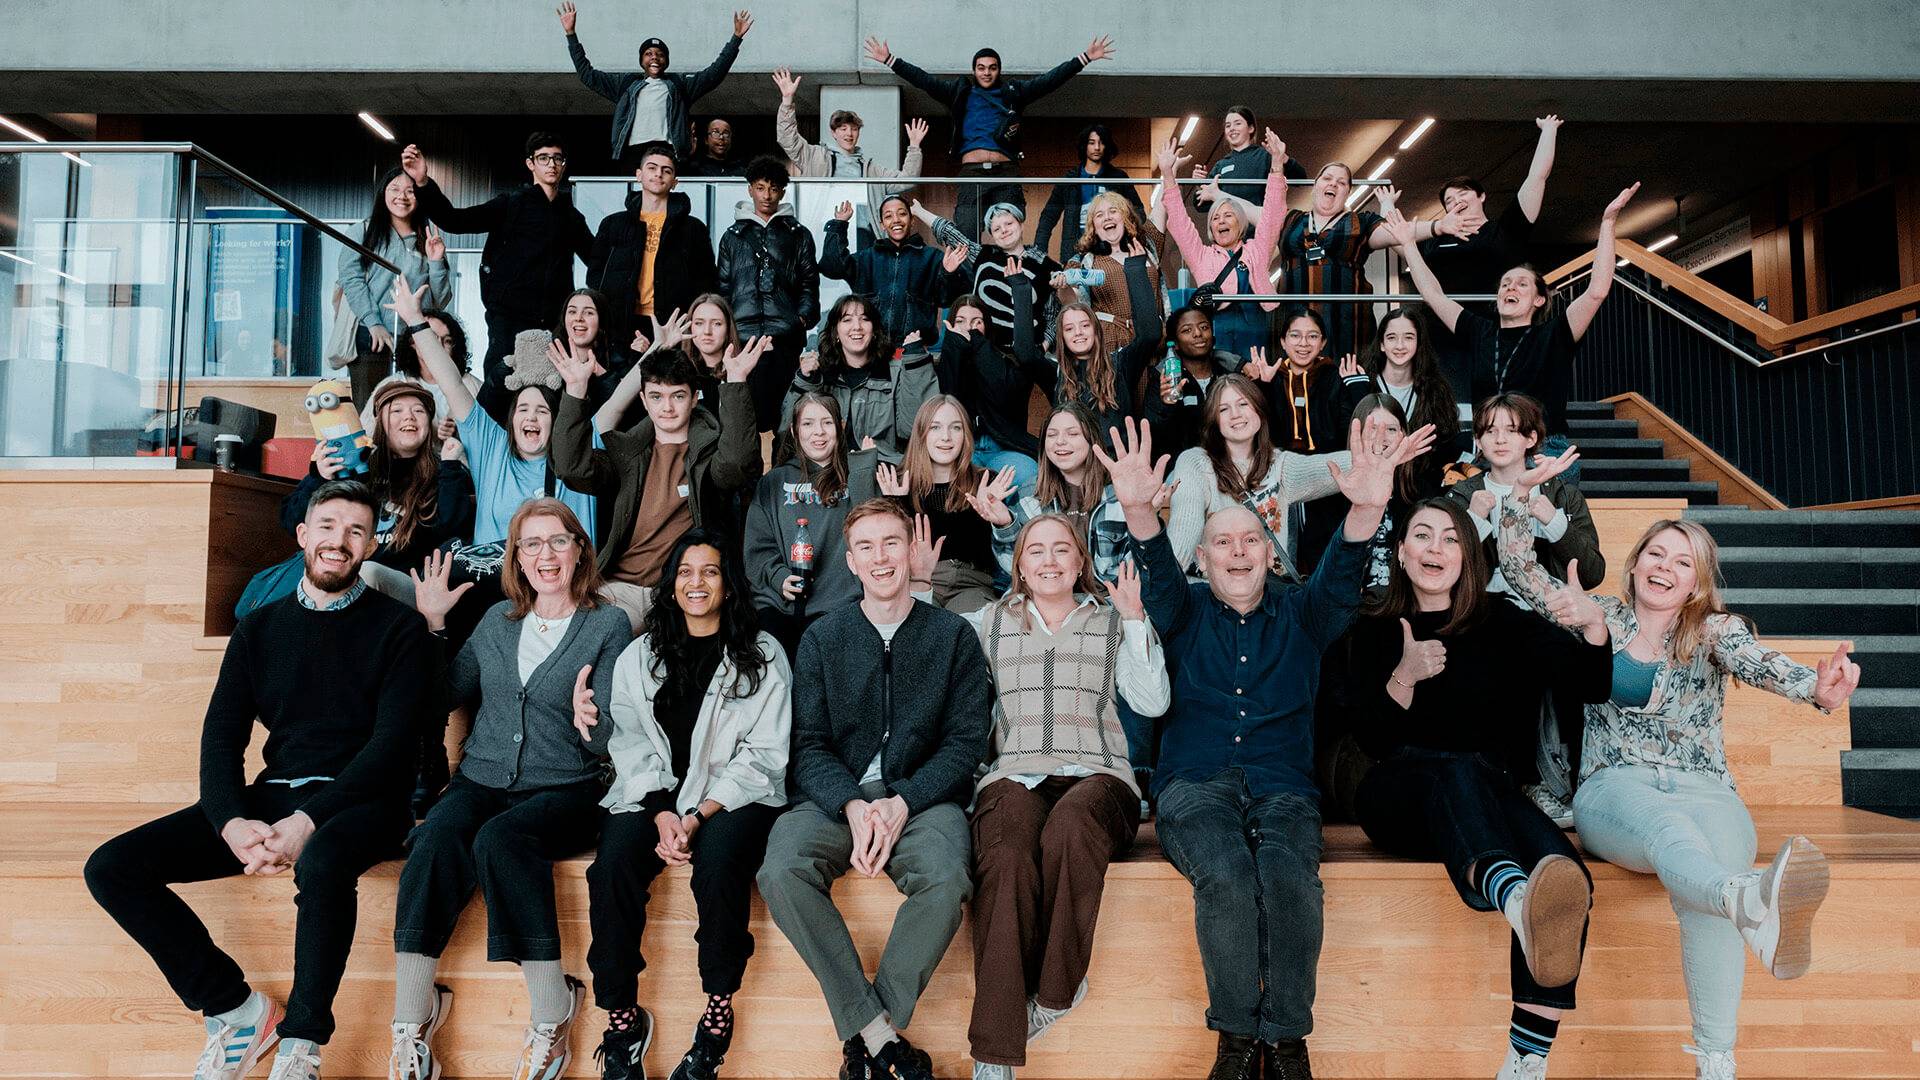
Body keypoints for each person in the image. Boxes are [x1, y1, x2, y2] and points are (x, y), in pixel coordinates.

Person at [1093, 412, 1432, 1080]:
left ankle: (1283, 1042)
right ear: (1203, 557)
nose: (1240, 550)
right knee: (1224, 874)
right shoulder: (1182, 610)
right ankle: (1237, 1043)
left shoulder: (1304, 614)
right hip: (1195, 786)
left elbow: (1339, 576)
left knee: (1288, 882)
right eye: (1223, 542)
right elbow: (1157, 572)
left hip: (1283, 789)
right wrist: (1137, 508)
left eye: (1253, 539)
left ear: (1273, 554)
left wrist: (1365, 509)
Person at [1494, 474, 1862, 1080]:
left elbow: (1762, 665)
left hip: (1709, 792)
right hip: (1616, 791)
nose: (1665, 567)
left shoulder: (1715, 631)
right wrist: (1514, 496)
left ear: (1698, 582)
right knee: (1673, 831)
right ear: (1635, 564)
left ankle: (1717, 1060)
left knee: (1708, 877)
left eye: (1682, 561)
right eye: (1655, 554)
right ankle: (1746, 897)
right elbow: (1515, 567)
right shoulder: (1598, 615)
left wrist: (1815, 689)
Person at [85, 480, 431, 1080]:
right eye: (327, 526)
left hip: (368, 799)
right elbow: (220, 738)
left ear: (371, 545)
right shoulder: (259, 628)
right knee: (112, 867)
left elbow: (390, 750)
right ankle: (236, 1008)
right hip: (276, 792)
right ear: (303, 536)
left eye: (355, 530)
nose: (339, 541)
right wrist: (231, 820)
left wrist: (307, 821)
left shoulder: (399, 630)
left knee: (322, 863)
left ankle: (301, 1044)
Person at [1343, 498, 1612, 1080]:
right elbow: (1371, 736)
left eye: (1450, 538)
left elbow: (1589, 684)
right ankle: (1515, 899)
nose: (1435, 549)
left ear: (1468, 555)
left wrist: (1593, 626)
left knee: (1565, 880)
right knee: (1457, 777)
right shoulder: (1370, 627)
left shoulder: (1504, 621)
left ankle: (1525, 1061)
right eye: (1422, 536)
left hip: (1489, 791)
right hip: (1397, 792)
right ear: (1402, 552)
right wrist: (1406, 673)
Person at [385, 502, 628, 1080]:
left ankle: (552, 1010)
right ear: (516, 558)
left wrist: (587, 720)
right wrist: (432, 626)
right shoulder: (498, 622)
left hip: (568, 787)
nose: (546, 556)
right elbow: (440, 697)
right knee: (435, 837)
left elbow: (614, 739)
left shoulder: (606, 624)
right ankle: (411, 1021)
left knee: (501, 840)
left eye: (557, 542)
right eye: (532, 545)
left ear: (579, 550)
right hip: (483, 778)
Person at [755, 498, 994, 1080]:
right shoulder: (821, 637)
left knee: (946, 880)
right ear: (852, 560)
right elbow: (807, 745)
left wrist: (901, 800)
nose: (881, 557)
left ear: (912, 551)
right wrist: (855, 804)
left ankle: (867, 1034)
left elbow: (965, 746)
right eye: (866, 547)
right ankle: (882, 1037)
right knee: (780, 870)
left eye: (892, 543)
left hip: (923, 799)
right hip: (837, 799)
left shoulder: (953, 635)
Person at [946, 521, 1169, 1080]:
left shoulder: (1111, 619)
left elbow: (1153, 700)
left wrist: (1137, 619)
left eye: (1062, 549)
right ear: (1018, 565)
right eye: (1035, 551)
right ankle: (994, 1057)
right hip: (1014, 775)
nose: (1049, 560)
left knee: (1069, 826)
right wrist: (925, 584)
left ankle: (1053, 993)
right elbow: (930, 644)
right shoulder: (988, 623)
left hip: (1100, 778)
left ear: (1079, 560)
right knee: (1006, 852)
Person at [576, 532, 792, 1080]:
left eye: (711, 571)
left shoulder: (762, 653)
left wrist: (698, 815)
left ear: (728, 583)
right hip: (654, 794)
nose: (697, 582)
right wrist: (660, 810)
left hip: (734, 796)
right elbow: (628, 740)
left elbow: (765, 754)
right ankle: (622, 1020)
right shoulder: (640, 654)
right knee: (611, 870)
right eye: (686, 572)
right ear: (670, 585)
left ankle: (717, 1014)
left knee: (720, 865)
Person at [1448, 393, 1605, 829]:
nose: (1499, 439)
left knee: (1578, 658)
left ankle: (1572, 783)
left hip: (1553, 612)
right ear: (1478, 440)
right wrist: (1475, 523)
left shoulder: (1562, 493)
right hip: (1481, 614)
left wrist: (1554, 521)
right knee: (1523, 651)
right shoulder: (1463, 495)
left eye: (1511, 430)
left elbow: (1592, 573)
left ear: (1531, 439)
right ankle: (1530, 783)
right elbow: (1440, 569)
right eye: (1489, 430)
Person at [1385, 183, 1641, 450]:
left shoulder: (1555, 333)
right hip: (1491, 447)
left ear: (1539, 299)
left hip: (1544, 447)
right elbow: (1433, 294)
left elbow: (1597, 291)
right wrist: (1408, 244)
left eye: (1521, 284)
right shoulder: (1479, 330)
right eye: (1505, 284)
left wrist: (1608, 222)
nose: (1510, 288)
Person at [548, 337, 764, 631]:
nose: (667, 407)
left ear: (694, 397)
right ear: (644, 400)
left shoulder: (710, 453)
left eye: (677, 396)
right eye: (657, 396)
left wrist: (736, 381)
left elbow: (737, 465)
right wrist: (574, 391)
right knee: (586, 642)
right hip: (618, 588)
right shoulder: (627, 453)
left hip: (681, 590)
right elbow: (571, 468)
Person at [402, 135, 594, 419]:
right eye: (543, 158)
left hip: (553, 322)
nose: (551, 164)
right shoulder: (511, 204)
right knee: (500, 390)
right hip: (508, 318)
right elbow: (456, 221)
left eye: (557, 158)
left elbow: (597, 259)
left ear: (563, 165)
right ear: (531, 164)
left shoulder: (571, 217)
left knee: (549, 395)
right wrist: (423, 183)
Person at [864, 33, 1117, 240]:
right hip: (972, 172)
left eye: (992, 68)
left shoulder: (1013, 92)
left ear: (999, 70)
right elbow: (924, 80)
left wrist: (1083, 59)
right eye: (981, 68)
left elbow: (1048, 81)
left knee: (1009, 231)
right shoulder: (960, 93)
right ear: (974, 70)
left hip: (1006, 171)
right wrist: (890, 60)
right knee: (965, 233)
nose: (986, 73)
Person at [281, 378, 476, 592]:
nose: (409, 417)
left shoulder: (445, 470)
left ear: (429, 423)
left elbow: (454, 530)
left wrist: (450, 467)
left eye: (419, 411)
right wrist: (318, 478)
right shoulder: (356, 466)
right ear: (380, 421)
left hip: (411, 588)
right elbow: (294, 522)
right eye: (397, 411)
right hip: (346, 579)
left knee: (369, 572)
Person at [1422, 117, 1563, 398]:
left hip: (1495, 335)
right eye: (1448, 201)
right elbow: (1408, 251)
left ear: (1481, 197)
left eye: (1463, 194)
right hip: (1443, 337)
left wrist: (1548, 131)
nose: (1456, 201)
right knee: (1453, 411)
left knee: (1501, 407)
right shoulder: (1436, 242)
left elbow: (1536, 178)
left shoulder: (1504, 231)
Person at [745, 392, 889, 655]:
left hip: (840, 606)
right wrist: (778, 577)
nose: (818, 432)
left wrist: (863, 471)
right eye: (808, 424)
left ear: (841, 427)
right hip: (781, 605)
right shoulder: (775, 481)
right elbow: (758, 546)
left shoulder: (856, 476)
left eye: (827, 422)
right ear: (794, 430)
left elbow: (871, 528)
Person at [1164, 374, 1348, 580]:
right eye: (1223, 409)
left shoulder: (1280, 465)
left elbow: (1340, 467)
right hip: (1214, 596)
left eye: (1243, 404)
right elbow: (1181, 541)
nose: (1235, 414)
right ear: (1214, 421)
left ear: (1259, 411)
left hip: (1268, 598)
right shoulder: (1196, 463)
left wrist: (1380, 453)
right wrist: (1164, 589)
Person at [559, 1, 753, 168]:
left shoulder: (678, 85)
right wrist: (571, 34)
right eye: (649, 54)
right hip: (632, 153)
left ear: (666, 61)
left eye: (660, 54)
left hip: (669, 150)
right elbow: (587, 75)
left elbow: (714, 74)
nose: (654, 58)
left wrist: (735, 39)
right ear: (641, 60)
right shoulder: (626, 84)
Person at [1157, 131, 1288, 358]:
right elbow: (1179, 221)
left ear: (1241, 223)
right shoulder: (1202, 256)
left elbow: (1273, 214)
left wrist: (1277, 165)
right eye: (1215, 218)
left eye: (1228, 215)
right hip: (1219, 333)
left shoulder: (1257, 249)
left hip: (1259, 331)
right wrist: (1168, 174)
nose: (1221, 221)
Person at [587, 141, 717, 365]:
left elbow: (705, 279)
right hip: (622, 323)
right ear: (638, 175)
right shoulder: (613, 224)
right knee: (620, 387)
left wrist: (690, 319)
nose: (659, 174)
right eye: (652, 168)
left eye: (666, 170)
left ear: (674, 181)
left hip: (672, 324)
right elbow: (595, 274)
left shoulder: (692, 228)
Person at [716, 154, 820, 431]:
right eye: (760, 187)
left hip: (785, 337)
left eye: (774, 188)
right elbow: (723, 287)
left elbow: (810, 282)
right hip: (743, 337)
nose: (767, 195)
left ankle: (783, 470)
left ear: (782, 192)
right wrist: (729, 331)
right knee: (745, 416)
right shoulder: (732, 236)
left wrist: (800, 319)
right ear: (750, 189)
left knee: (786, 417)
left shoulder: (798, 234)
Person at [337, 167, 454, 408]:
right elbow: (351, 279)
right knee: (372, 406)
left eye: (410, 191)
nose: (402, 196)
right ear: (383, 193)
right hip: (370, 335)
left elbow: (440, 300)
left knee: (414, 403)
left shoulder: (427, 236)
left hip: (414, 338)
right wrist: (374, 322)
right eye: (395, 189)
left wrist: (435, 260)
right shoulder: (362, 231)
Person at [884, 395, 1012, 613]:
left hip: (971, 584)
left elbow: (1011, 558)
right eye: (935, 428)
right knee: (919, 629)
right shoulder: (899, 483)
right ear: (921, 434)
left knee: (972, 629)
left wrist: (1000, 520)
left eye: (956, 428)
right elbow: (885, 549)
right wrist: (896, 503)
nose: (946, 437)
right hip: (915, 582)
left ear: (966, 435)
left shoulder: (987, 481)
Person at [773, 66, 928, 231]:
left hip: (862, 230)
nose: (849, 134)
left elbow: (907, 179)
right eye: (843, 129)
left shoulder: (871, 169)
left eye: (854, 129)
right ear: (833, 133)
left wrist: (914, 146)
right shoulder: (815, 156)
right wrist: (787, 100)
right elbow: (787, 138)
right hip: (824, 226)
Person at [783, 293, 940, 455]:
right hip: (830, 470)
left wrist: (916, 361)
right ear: (835, 333)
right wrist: (805, 381)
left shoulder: (897, 372)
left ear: (875, 331)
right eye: (847, 319)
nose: (857, 326)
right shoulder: (819, 376)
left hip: (883, 471)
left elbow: (913, 429)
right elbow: (787, 436)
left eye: (865, 319)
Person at [935, 296, 1053, 491]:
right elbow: (950, 402)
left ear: (987, 327)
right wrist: (954, 349)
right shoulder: (945, 361)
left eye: (977, 322)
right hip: (962, 447)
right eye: (961, 322)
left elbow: (1003, 394)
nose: (969, 328)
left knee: (1030, 473)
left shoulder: (1007, 359)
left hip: (1003, 448)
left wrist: (979, 345)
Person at [820, 194, 971, 347]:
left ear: (912, 221)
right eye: (888, 216)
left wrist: (948, 273)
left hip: (915, 349)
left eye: (902, 214)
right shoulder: (866, 258)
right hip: (871, 350)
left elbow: (946, 299)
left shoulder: (933, 257)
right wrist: (839, 224)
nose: (896, 220)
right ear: (882, 225)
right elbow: (832, 267)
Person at [1029, 300, 1162, 439]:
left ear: (1096, 330)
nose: (1078, 332)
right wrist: (1020, 284)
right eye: (1069, 329)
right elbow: (1025, 355)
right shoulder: (1055, 372)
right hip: (1076, 459)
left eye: (1085, 325)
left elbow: (1150, 334)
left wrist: (1132, 275)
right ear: (1061, 337)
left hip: (1115, 459)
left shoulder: (1120, 364)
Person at [1061, 191, 1168, 354]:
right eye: (1099, 215)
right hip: (1111, 343)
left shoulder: (1147, 248)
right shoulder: (1082, 261)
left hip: (1154, 340)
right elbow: (1073, 304)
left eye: (1113, 211)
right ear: (1093, 227)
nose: (1107, 217)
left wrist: (1169, 170)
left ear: (1125, 218)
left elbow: (1163, 204)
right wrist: (1063, 287)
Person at [1141, 304, 1248, 460]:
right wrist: (1166, 406)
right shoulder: (1165, 380)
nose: (1198, 334)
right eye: (1187, 330)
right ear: (1175, 344)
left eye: (1204, 327)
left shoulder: (1228, 377)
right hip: (1181, 471)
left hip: (1228, 465)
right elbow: (1153, 436)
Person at [1033, 123, 1147, 261]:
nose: (1097, 148)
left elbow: (1138, 211)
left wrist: (1132, 240)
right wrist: (1039, 252)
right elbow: (1049, 216)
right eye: (1091, 143)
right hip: (1075, 250)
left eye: (1101, 143)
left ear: (1107, 146)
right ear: (1084, 146)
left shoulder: (1118, 177)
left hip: (1111, 248)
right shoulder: (1070, 179)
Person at [1191, 105, 1305, 212]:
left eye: (1237, 123)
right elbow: (1201, 206)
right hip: (1231, 229)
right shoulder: (1221, 165)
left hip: (1259, 226)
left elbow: (1301, 179)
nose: (1232, 129)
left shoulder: (1264, 156)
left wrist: (1282, 157)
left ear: (1250, 128)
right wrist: (1199, 184)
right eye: (1228, 125)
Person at [682, 117, 747, 177]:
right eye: (715, 132)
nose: (721, 137)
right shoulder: (696, 167)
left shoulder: (739, 168)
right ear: (706, 140)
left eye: (726, 133)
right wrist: (688, 155)